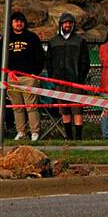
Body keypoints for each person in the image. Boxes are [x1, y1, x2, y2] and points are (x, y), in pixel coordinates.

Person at [45, 13, 90, 140]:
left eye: (70, 22)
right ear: (61, 24)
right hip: (60, 82)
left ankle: (79, 137)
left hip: (76, 81)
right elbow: (48, 61)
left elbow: (85, 62)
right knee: (64, 110)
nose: (68, 25)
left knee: (77, 110)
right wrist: (52, 76)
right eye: (65, 22)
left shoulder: (80, 40)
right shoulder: (53, 41)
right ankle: (68, 136)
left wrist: (80, 78)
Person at [5, 11, 44, 142]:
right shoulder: (6, 38)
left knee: (31, 106)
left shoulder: (32, 37)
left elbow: (40, 57)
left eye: (21, 21)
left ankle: (35, 132)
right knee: (17, 107)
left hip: (29, 77)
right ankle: (21, 131)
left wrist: (35, 74)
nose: (19, 23)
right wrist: (7, 73)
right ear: (11, 23)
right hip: (12, 78)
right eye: (16, 21)